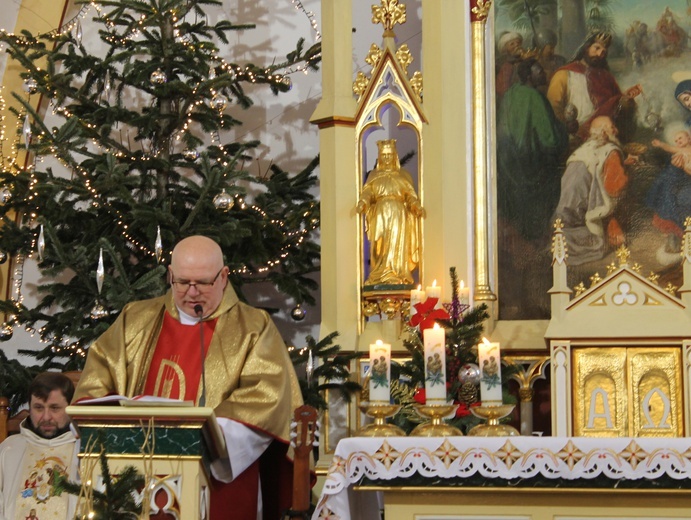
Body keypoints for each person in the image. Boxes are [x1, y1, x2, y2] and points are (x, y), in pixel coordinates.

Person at [73, 235, 304, 520]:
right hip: (133, 475)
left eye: (203, 283)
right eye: (182, 282)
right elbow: (98, 377)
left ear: (223, 277)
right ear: (170, 275)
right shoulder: (136, 319)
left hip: (219, 481)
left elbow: (266, 396)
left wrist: (203, 437)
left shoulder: (253, 326)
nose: (192, 293)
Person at [497, 58, 568, 241]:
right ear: (529, 75)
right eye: (539, 71)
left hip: (507, 163)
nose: (543, 73)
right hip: (530, 164)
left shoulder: (510, 94)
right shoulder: (535, 97)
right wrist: (567, 130)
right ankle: (539, 234)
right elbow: (550, 139)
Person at [553, 116, 636, 265]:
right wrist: (627, 171)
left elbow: (596, 168)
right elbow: (614, 188)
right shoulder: (611, 151)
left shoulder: (585, 148)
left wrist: (621, 163)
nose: (615, 130)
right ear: (604, 132)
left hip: (563, 209)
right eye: (612, 127)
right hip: (580, 215)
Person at [0, 372, 78, 520]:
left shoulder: (86, 450)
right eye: (39, 408)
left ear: (71, 408)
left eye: (55, 408)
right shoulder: (9, 449)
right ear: (29, 408)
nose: (46, 417)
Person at [547, 31, 643, 144]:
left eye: (603, 52)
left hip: (606, 132)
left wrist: (624, 99)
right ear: (586, 47)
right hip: (575, 133)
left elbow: (615, 103)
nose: (599, 54)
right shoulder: (565, 74)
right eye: (596, 48)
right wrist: (567, 128)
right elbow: (553, 107)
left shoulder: (606, 76)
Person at [356, 139, 424, 287]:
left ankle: (398, 273)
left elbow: (410, 195)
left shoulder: (403, 174)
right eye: (384, 155)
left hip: (398, 215)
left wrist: (415, 205)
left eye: (389, 155)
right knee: (379, 245)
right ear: (379, 157)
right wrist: (363, 201)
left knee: (396, 243)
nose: (387, 158)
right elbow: (368, 192)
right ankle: (378, 274)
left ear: (395, 156)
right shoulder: (374, 175)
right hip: (379, 214)